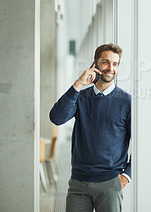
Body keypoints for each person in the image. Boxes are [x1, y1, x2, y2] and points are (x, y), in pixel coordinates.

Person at [49, 43, 131, 212]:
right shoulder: (80, 97)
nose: (110, 68)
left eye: (115, 64)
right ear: (94, 64)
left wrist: (126, 176)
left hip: (110, 183)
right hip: (79, 182)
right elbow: (56, 118)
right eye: (105, 62)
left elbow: (143, 143)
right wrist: (78, 84)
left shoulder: (127, 102)